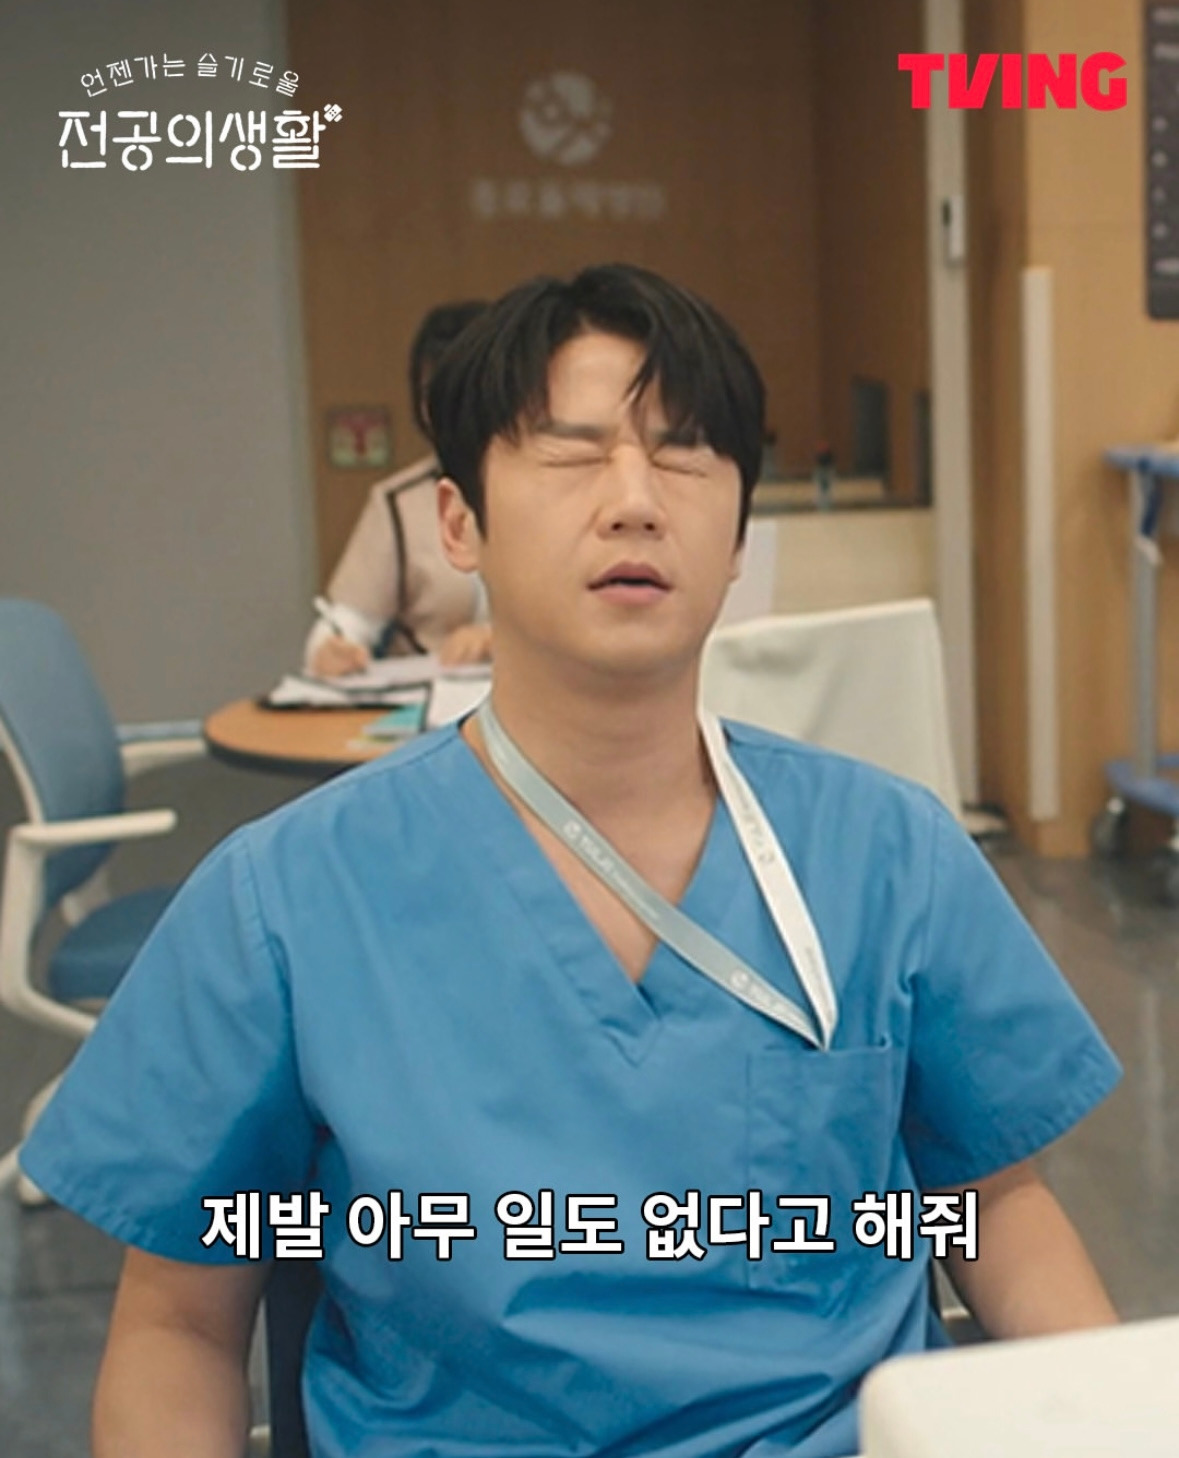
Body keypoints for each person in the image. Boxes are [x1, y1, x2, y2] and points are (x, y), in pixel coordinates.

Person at [22, 263, 1120, 1458]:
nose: (635, 501)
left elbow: (995, 1210)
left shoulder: (886, 853)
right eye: (573, 451)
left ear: (739, 536)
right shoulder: (285, 899)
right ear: (459, 524)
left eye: (686, 453)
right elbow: (178, 1328)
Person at [304, 299, 493, 677]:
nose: (449, 409)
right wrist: (330, 649)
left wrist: (499, 638)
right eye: (432, 393)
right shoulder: (398, 502)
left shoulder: (555, 486)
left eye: (464, 391)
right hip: (435, 696)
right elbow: (349, 620)